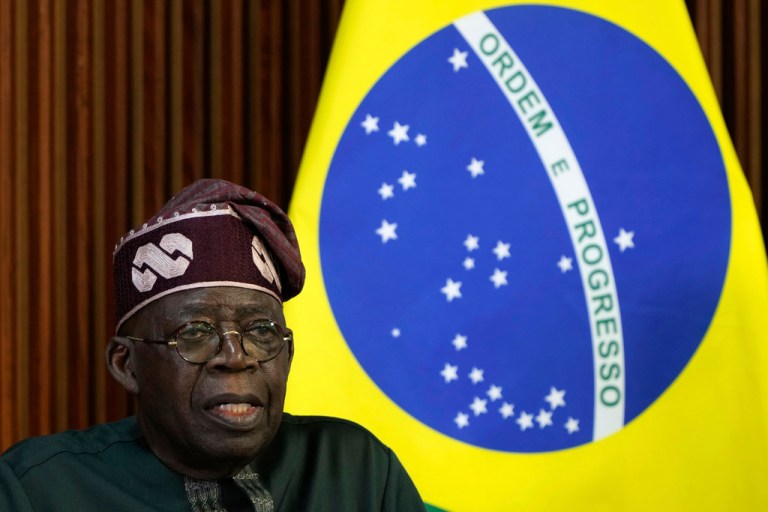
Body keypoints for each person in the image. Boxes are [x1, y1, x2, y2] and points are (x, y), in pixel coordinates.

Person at [0, 179, 425, 511]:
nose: (236, 358)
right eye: (196, 332)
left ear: (288, 354)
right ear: (127, 365)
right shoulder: (38, 490)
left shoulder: (357, 471)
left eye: (261, 332)